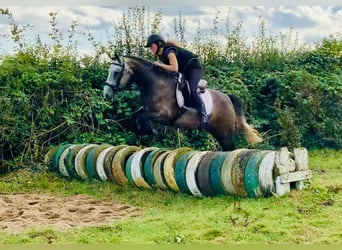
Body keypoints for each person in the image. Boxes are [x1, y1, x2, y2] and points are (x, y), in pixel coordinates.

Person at [145, 34, 208, 129]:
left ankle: (204, 116)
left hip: (194, 67)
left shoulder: (169, 52)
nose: (150, 48)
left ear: (159, 44)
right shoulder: (161, 55)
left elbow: (174, 68)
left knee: (192, 89)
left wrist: (160, 65)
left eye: (151, 46)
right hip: (184, 69)